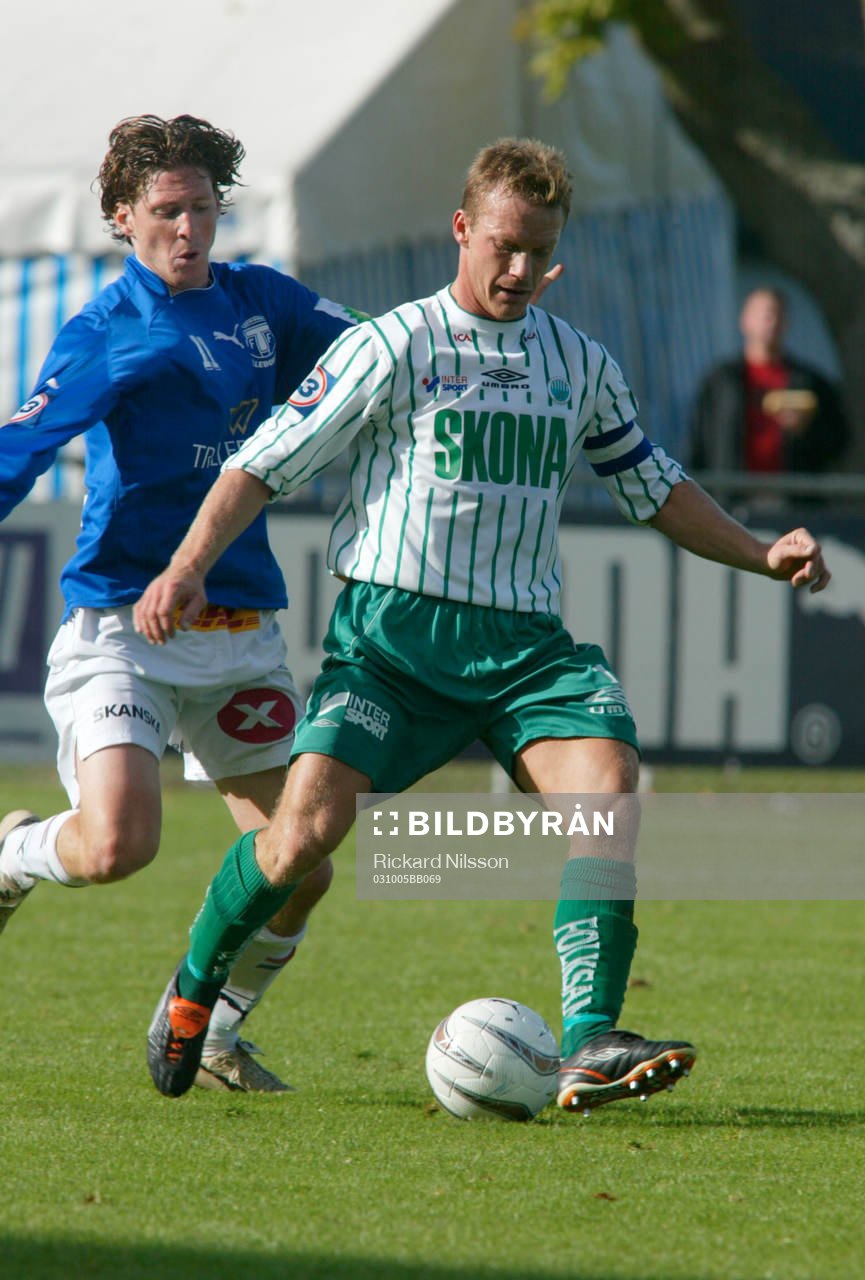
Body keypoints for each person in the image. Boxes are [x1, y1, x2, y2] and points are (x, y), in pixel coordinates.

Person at [133, 138, 830, 1108]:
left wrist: (762, 552)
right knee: (300, 843)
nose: (517, 271)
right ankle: (194, 989)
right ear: (463, 229)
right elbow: (263, 461)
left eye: (537, 254)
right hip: (391, 647)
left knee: (608, 787)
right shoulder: (394, 345)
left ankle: (589, 1039)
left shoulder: (577, 361)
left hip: (526, 653)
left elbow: (654, 487)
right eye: (502, 245)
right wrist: (186, 565)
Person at [0, 113, 369, 1092]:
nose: (188, 228)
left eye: (202, 207)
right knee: (118, 841)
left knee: (305, 861)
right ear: (122, 217)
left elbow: (378, 360)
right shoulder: (104, 333)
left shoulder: (265, 304)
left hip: (240, 627)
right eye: (166, 210)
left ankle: (213, 1025)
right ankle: (14, 853)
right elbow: (19, 448)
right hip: (125, 626)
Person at [689, 286, 849, 477]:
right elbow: (698, 442)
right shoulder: (722, 382)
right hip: (731, 498)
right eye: (763, 314)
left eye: (777, 314)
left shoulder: (810, 382)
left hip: (796, 500)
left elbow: (839, 441)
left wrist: (807, 430)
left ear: (787, 322)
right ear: (744, 320)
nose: (770, 321)